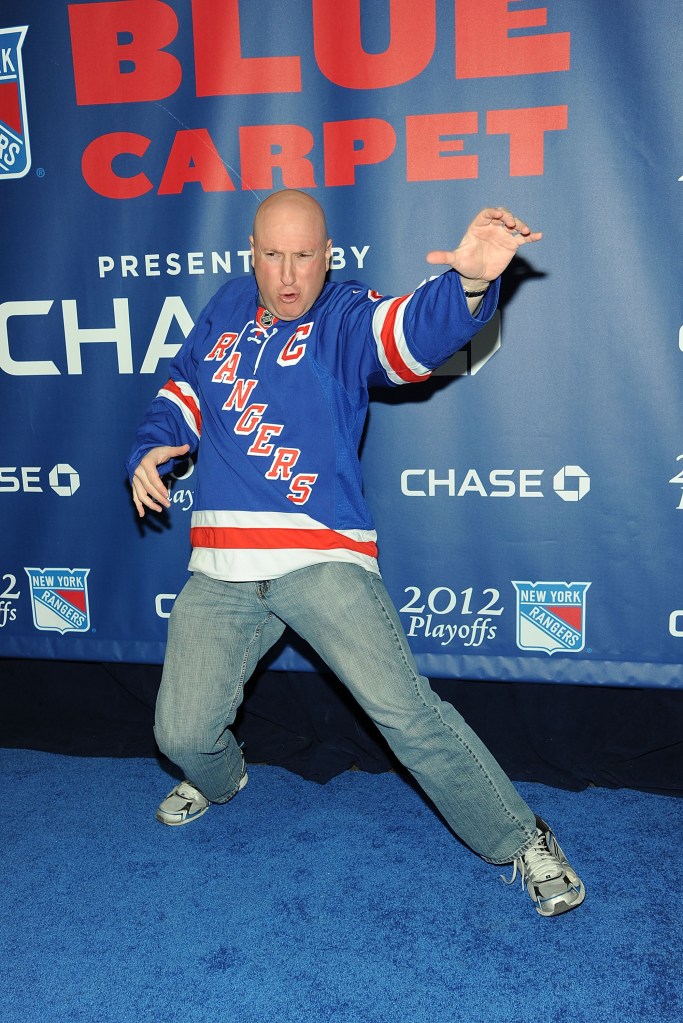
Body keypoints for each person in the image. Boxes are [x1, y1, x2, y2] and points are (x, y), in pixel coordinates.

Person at [127, 190, 585, 918]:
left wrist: (468, 285)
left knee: (407, 713)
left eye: (303, 256)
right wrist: (153, 445)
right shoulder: (224, 306)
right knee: (180, 734)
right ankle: (221, 780)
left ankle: (521, 836)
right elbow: (183, 389)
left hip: (321, 556)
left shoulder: (344, 315)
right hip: (221, 566)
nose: (288, 275)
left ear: (328, 256)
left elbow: (405, 334)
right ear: (251, 255)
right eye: (272, 255)